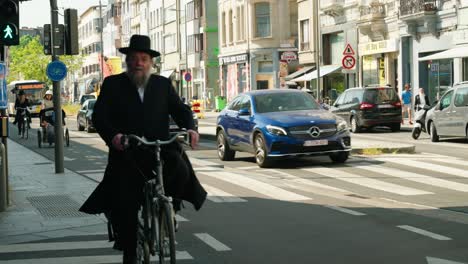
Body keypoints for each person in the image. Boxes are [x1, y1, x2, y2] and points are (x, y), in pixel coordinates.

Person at [79, 34, 207, 264]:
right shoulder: (113, 84)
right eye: (134, 58)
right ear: (127, 61)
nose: (139, 62)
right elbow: (100, 117)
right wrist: (114, 137)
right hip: (127, 151)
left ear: (151, 62)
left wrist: (190, 128)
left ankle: (171, 206)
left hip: (158, 146)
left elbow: (180, 110)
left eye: (144, 58)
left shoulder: (162, 84)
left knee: (180, 167)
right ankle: (129, 251)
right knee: (124, 203)